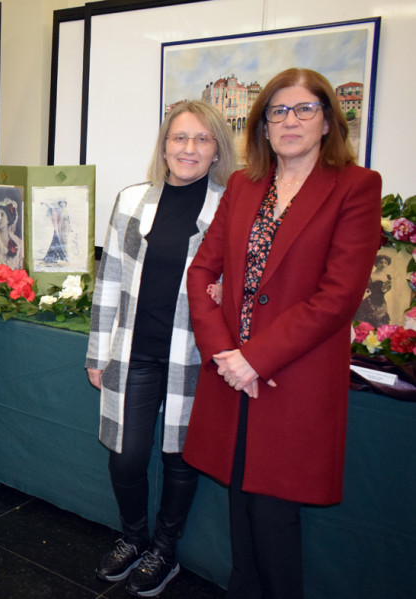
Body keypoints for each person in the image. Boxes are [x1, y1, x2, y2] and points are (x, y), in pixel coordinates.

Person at [184, 68, 382, 599]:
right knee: (240, 506)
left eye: (304, 109)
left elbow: (337, 297)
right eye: (278, 111)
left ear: (327, 121)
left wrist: (256, 358)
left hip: (293, 378)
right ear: (263, 125)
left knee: (273, 517)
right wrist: (226, 353)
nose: (290, 120)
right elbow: (201, 273)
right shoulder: (244, 187)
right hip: (231, 375)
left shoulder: (356, 187)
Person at [86, 100, 236, 597]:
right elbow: (108, 281)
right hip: (135, 353)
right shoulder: (132, 201)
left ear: (216, 150)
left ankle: (163, 551)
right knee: (126, 458)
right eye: (179, 138)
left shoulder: (230, 206)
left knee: (180, 458)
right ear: (164, 145)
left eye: (201, 140)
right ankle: (133, 538)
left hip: (196, 358)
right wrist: (97, 351)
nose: (188, 149)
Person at [353, 253, 392, 325]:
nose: (383, 265)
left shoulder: (387, 277)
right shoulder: (370, 275)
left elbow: (384, 290)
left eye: (385, 263)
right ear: (376, 263)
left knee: (379, 324)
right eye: (381, 262)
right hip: (368, 302)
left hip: (381, 304)